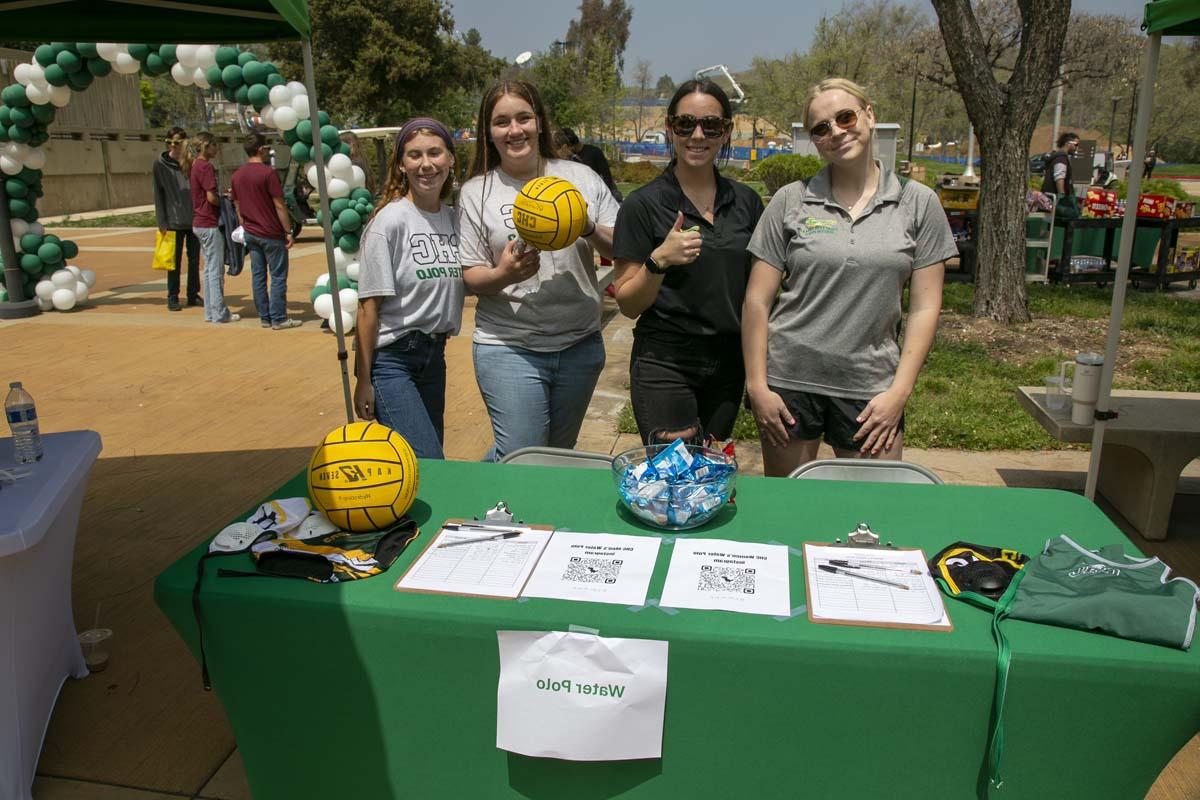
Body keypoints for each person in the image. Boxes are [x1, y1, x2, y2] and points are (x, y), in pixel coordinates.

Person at [742, 77, 956, 477]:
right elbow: (757, 300)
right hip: (790, 384)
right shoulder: (790, 200)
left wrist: (899, 393)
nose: (836, 132)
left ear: (869, 115)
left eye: (845, 117)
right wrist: (758, 387)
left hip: (872, 389)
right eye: (821, 128)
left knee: (869, 518)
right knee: (791, 511)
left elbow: (926, 307)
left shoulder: (918, 203)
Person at [457, 80, 620, 461]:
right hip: (509, 345)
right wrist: (504, 275)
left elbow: (621, 245)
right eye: (502, 122)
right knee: (524, 457)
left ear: (540, 122)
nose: (514, 130)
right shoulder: (476, 192)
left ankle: (517, 512)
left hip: (579, 344)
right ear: (489, 132)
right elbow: (470, 276)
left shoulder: (579, 178)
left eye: (523, 118)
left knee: (557, 458)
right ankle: (491, 512)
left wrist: (588, 227)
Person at [611, 80, 763, 446]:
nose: (698, 135)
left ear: (726, 131)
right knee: (675, 481)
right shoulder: (643, 205)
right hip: (666, 361)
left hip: (728, 363)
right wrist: (658, 261)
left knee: (710, 477)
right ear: (670, 127)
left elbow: (759, 293)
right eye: (685, 124)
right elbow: (628, 303)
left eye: (710, 125)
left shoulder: (746, 202)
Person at [353, 118, 463, 459]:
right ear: (401, 164)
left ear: (450, 159)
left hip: (435, 357)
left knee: (426, 460)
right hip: (393, 360)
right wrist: (363, 379)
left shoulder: (455, 219)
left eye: (434, 153)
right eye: (414, 155)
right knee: (428, 458)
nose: (426, 164)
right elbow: (368, 309)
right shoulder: (390, 222)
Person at [230, 132, 300, 330]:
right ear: (261, 149)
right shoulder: (268, 174)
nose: (269, 151)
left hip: (251, 232)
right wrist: (288, 231)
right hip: (271, 233)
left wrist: (245, 225)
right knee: (278, 276)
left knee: (258, 275)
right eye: (267, 148)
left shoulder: (237, 175)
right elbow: (279, 204)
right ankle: (279, 317)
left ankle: (264, 316)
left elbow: (237, 206)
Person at [185, 132, 239, 323]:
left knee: (208, 270)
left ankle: (210, 311)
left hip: (199, 223)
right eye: (214, 145)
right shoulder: (205, 166)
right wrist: (224, 200)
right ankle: (219, 312)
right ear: (206, 146)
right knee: (215, 270)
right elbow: (210, 197)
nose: (217, 149)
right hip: (208, 223)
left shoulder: (195, 166)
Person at [153, 127, 200, 312]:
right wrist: (161, 221)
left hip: (194, 219)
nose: (173, 146)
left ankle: (193, 294)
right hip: (173, 221)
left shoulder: (192, 162)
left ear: (184, 143)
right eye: (170, 142)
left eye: (177, 142)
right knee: (173, 261)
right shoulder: (160, 164)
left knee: (194, 259)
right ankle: (172, 296)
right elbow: (158, 193)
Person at [555, 127, 622, 201]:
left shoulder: (594, 152)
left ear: (566, 146)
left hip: (600, 195)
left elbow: (607, 177)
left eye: (560, 148)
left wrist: (603, 198)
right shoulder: (567, 158)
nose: (559, 152)